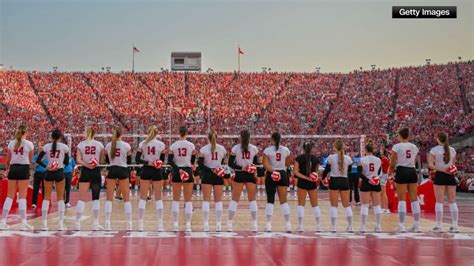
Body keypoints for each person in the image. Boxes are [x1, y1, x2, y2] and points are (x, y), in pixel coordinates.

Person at [0, 125, 35, 230]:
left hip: (13, 168)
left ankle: (3, 222)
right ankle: (24, 223)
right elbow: (30, 159)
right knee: (22, 196)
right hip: (23, 168)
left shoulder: (11, 143)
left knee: (9, 196)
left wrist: (8, 169)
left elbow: (8, 159)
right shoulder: (29, 144)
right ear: (26, 132)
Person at [35, 129, 70, 231]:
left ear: (52, 137)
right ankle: (60, 224)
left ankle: (44, 223)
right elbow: (67, 162)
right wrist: (61, 166)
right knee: (60, 198)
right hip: (59, 172)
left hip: (49, 173)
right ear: (60, 137)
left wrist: (46, 167)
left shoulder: (46, 146)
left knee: (46, 198)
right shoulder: (64, 147)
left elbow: (38, 160)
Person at [135, 126, 166, 232]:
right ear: (157, 133)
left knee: (143, 197)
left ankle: (140, 224)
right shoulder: (161, 144)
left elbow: (137, 159)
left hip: (146, 169)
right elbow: (161, 161)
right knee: (158, 197)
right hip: (157, 170)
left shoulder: (143, 143)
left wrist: (149, 162)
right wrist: (156, 163)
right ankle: (160, 225)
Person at [389, 127, 420, 232]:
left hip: (402, 170)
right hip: (412, 170)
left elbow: (392, 162)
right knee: (414, 198)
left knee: (401, 199)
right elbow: (414, 160)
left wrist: (390, 172)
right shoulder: (414, 146)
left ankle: (402, 225)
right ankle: (417, 225)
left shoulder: (397, 146)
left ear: (400, 135)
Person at [227, 130, 259, 232]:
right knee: (252, 200)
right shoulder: (254, 148)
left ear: (240, 137)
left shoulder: (236, 148)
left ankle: (229, 223)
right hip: (250, 175)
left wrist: (242, 168)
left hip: (239, 174)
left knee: (234, 200)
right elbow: (255, 164)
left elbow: (230, 163)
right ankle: (254, 224)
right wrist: (249, 168)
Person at [75, 126, 105, 231]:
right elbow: (101, 160)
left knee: (81, 198)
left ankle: (77, 224)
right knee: (95, 198)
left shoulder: (80, 145)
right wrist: (94, 162)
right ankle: (95, 224)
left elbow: (78, 160)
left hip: (85, 171)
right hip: (96, 170)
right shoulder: (100, 145)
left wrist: (87, 164)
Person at [428, 132, 459, 233]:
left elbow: (431, 165)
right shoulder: (453, 150)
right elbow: (453, 165)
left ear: (438, 139)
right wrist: (448, 170)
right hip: (451, 176)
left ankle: (439, 225)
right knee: (452, 201)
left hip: (440, 175)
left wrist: (441, 169)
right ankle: (455, 225)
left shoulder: (434, 150)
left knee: (439, 201)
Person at [262, 132, 292, 232]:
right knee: (283, 200)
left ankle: (268, 225)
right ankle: (288, 225)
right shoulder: (286, 150)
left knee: (270, 200)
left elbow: (265, 164)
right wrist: (283, 168)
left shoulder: (267, 150)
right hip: (282, 174)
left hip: (271, 174)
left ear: (272, 139)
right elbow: (289, 161)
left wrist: (273, 172)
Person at [168, 126, 196, 232]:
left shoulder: (174, 145)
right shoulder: (191, 145)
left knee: (176, 199)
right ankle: (188, 224)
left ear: (179, 133)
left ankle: (175, 223)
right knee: (188, 200)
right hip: (187, 170)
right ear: (187, 133)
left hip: (176, 171)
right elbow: (193, 159)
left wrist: (178, 169)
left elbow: (170, 161)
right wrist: (191, 164)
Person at [322, 139, 354, 232]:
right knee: (347, 205)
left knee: (334, 205)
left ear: (335, 147)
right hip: (344, 180)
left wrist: (323, 178)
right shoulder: (348, 158)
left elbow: (327, 170)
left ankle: (333, 226)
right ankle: (350, 226)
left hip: (334, 180)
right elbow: (349, 170)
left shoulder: (331, 157)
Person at [104, 127, 132, 230]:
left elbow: (107, 160)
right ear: (121, 134)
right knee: (126, 197)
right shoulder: (126, 145)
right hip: (123, 169)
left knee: (109, 197)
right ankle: (129, 222)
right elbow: (128, 161)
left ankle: (107, 221)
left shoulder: (108, 145)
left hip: (112, 169)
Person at [198, 130, 227, 232]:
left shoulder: (203, 149)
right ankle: (218, 225)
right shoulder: (222, 149)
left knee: (206, 200)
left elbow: (201, 165)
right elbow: (222, 161)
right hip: (218, 174)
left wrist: (211, 169)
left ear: (208, 138)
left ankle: (206, 224)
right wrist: (216, 168)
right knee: (218, 201)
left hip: (207, 174)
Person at [293, 141, 321, 232]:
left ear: (303, 149)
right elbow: (317, 173)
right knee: (315, 204)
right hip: (312, 183)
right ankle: (318, 226)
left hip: (302, 182)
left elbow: (296, 172)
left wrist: (306, 177)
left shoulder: (299, 158)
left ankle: (300, 226)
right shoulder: (316, 159)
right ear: (312, 149)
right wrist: (313, 177)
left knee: (301, 204)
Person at [358, 140, 383, 232]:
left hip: (366, 182)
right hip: (376, 182)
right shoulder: (378, 160)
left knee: (364, 205)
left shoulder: (362, 159)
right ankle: (378, 226)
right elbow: (379, 172)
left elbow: (359, 174)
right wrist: (374, 178)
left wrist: (368, 180)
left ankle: (363, 227)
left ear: (365, 150)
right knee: (377, 205)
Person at [31, 144, 47, 209]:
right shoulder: (35, 156)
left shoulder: (46, 156)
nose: (40, 149)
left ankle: (45, 202)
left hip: (45, 173)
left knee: (45, 189)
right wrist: (40, 160)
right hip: (37, 173)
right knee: (35, 188)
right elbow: (34, 166)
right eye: (39, 148)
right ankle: (34, 203)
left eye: (41, 148)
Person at [379, 144, 391, 213]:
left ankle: (386, 208)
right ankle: (383, 207)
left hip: (383, 176)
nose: (380, 153)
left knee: (383, 193)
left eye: (381, 152)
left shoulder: (384, 159)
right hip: (383, 176)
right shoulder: (384, 159)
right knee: (382, 193)